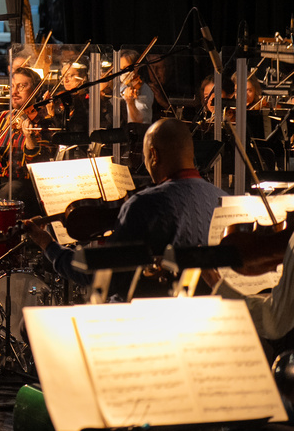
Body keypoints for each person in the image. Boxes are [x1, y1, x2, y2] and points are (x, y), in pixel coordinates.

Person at [24, 118, 225, 301]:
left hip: (143, 318)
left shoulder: (145, 205)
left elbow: (97, 275)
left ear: (154, 155)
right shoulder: (224, 198)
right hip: (204, 314)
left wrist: (48, 245)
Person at [0, 66, 52, 209]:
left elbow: (37, 160)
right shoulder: (3, 117)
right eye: (12, 86)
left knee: (7, 194)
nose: (14, 92)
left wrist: (30, 138)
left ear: (36, 91)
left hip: (23, 179)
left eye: (22, 86)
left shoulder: (43, 122)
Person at [119, 49, 154, 124]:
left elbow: (139, 121)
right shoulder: (123, 85)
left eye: (126, 68)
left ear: (136, 68)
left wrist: (130, 102)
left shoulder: (144, 91)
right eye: (121, 69)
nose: (123, 72)